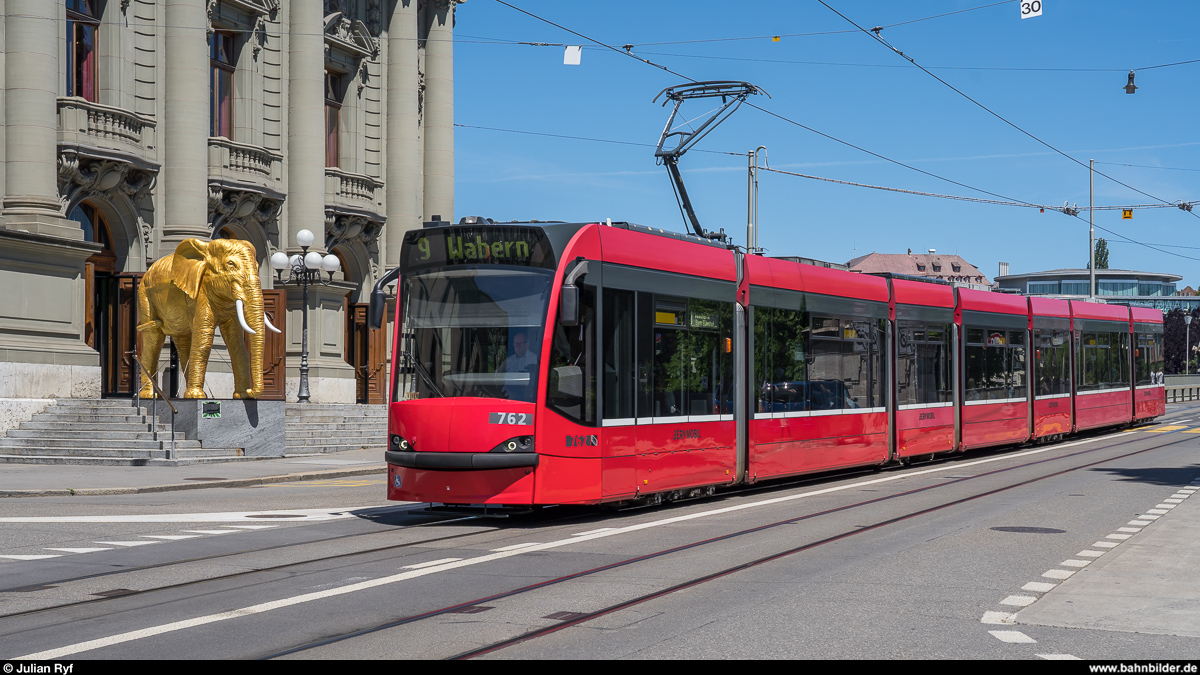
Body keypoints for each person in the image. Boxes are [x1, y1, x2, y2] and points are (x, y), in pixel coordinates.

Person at [500, 330, 538, 400]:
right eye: (516, 344)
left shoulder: (535, 359)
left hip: (529, 396)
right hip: (508, 396)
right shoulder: (508, 361)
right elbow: (498, 375)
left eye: (521, 344)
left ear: (527, 344)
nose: (518, 346)